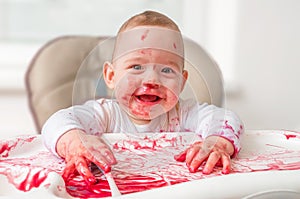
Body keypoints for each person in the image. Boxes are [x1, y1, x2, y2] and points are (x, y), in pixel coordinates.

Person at [41, 10, 244, 185]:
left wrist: (216, 142)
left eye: (166, 70)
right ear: (111, 76)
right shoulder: (104, 114)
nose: (151, 79)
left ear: (182, 83)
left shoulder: (184, 114)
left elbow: (225, 120)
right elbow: (55, 123)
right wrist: (76, 142)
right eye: (136, 67)